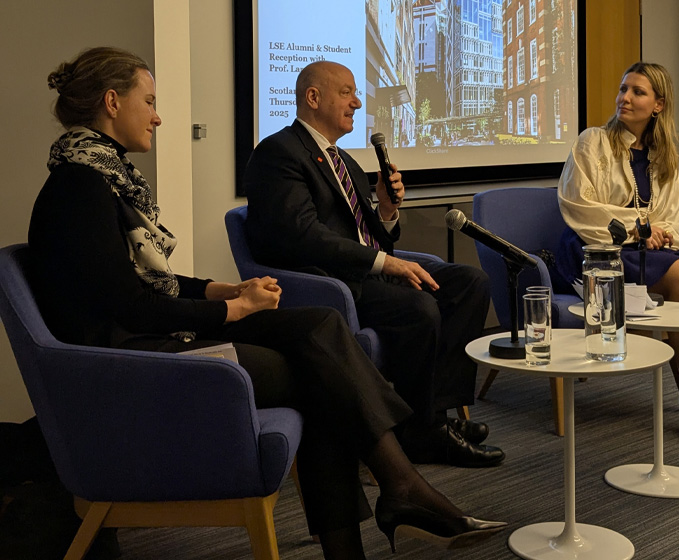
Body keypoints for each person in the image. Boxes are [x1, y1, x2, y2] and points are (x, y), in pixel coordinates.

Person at [28, 47, 507, 559]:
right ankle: (396, 495)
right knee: (318, 368)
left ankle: (399, 491)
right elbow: (132, 307)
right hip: (130, 361)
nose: (158, 115)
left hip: (150, 336)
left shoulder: (104, 176)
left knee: (319, 331)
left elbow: (147, 283)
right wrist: (232, 311)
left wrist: (223, 290)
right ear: (111, 102)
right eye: (149, 101)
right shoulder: (79, 188)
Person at [243, 61, 503, 468]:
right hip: (332, 284)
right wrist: (386, 263)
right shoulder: (278, 153)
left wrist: (385, 209)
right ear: (313, 97)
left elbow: (373, 236)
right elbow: (302, 236)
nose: (358, 101)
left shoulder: (343, 160)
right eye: (346, 92)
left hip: (366, 273)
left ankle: (437, 416)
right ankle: (423, 434)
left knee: (469, 282)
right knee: (420, 307)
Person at [556, 61, 679, 446]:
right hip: (596, 251)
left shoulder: (664, 155)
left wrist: (658, 235)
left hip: (644, 253)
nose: (625, 98)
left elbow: (669, 221)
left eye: (637, 92)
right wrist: (640, 229)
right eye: (623, 89)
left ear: (658, 104)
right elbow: (577, 205)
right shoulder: (593, 140)